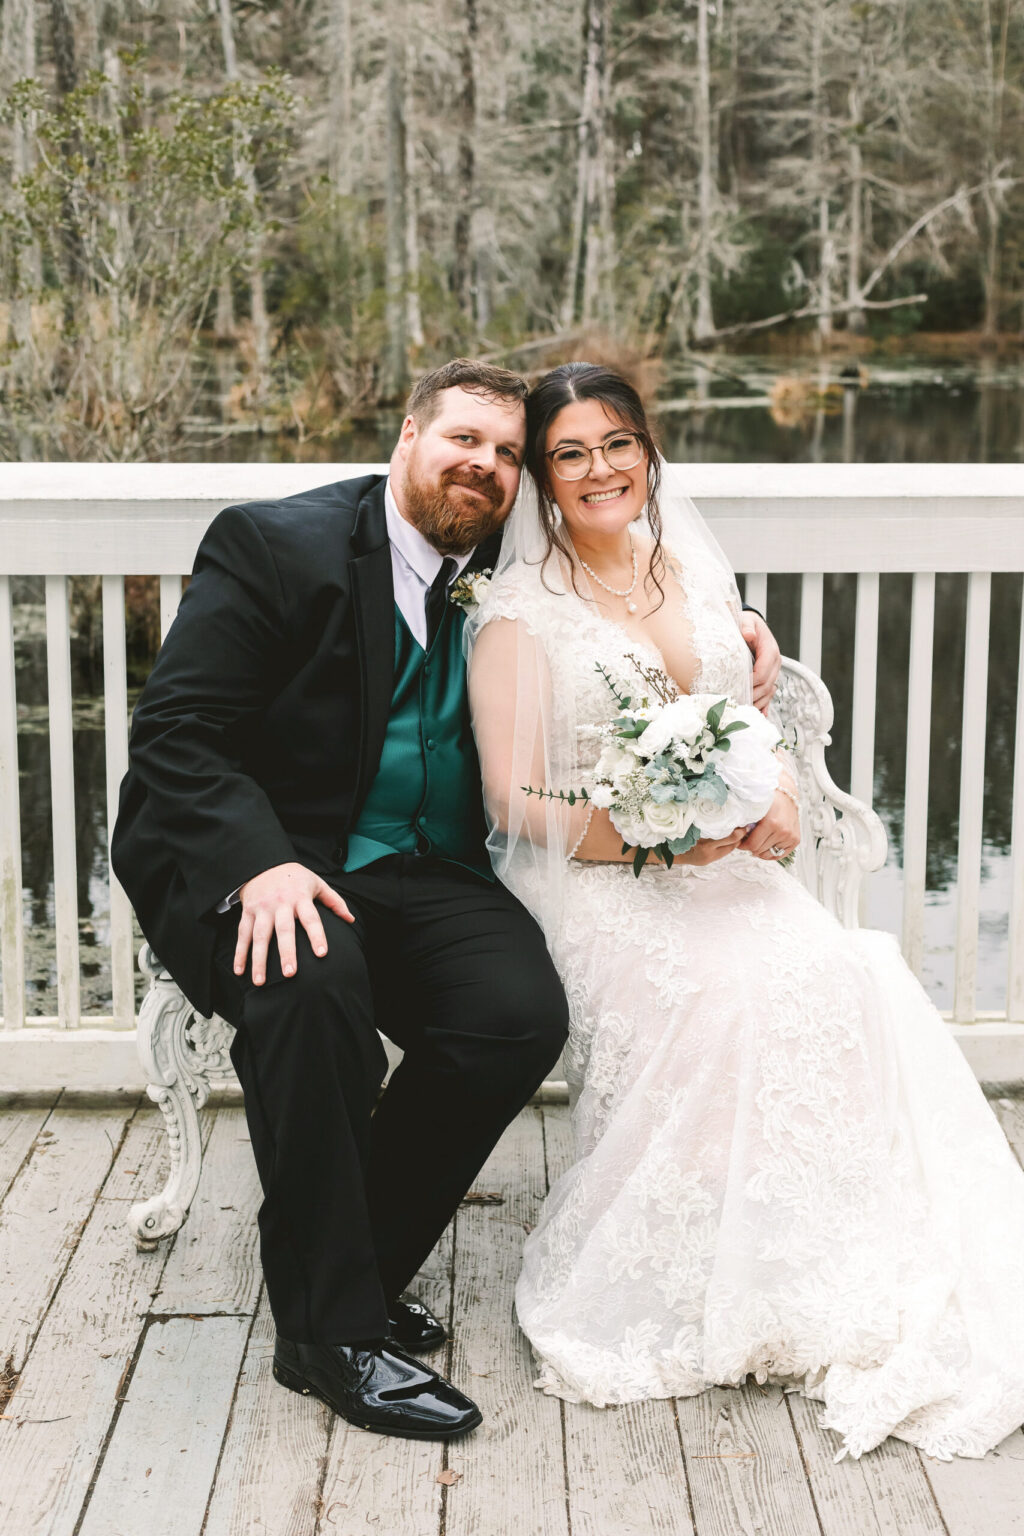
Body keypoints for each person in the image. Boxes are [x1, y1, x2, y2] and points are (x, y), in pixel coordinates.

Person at [109, 354, 785, 1441]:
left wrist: (738, 622)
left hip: (414, 865)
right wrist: (261, 863)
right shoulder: (275, 545)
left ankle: (350, 1265)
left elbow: (618, 576)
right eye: (462, 439)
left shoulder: (492, 556)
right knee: (310, 990)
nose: (484, 465)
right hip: (252, 857)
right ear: (407, 437)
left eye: (508, 454)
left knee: (513, 1017)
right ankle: (328, 1338)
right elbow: (178, 734)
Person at [465, 361, 1024, 1462]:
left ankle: (817, 1247)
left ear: (647, 448)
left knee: (841, 970)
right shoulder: (517, 615)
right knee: (725, 997)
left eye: (616, 442)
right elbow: (510, 798)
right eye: (569, 453)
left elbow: (734, 722)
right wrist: (656, 836)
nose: (599, 469)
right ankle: (696, 1264)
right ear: (538, 476)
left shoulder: (693, 572)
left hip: (719, 861)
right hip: (590, 872)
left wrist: (764, 793)